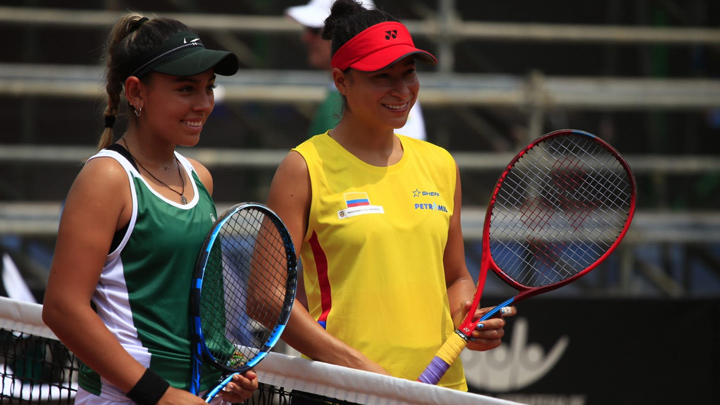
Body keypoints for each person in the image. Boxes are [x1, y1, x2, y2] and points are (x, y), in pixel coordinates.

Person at [267, 0, 516, 391]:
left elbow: (454, 277)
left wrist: (466, 316)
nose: (402, 89)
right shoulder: (303, 166)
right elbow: (267, 299)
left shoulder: (440, 164)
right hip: (346, 393)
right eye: (382, 76)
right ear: (341, 81)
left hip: (440, 392)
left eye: (409, 73)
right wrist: (361, 371)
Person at [42, 14, 258, 404]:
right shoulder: (106, 178)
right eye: (186, 89)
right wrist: (161, 396)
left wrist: (225, 369)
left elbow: (188, 305)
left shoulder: (200, 178)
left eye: (208, 88)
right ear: (136, 92)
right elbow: (62, 308)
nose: (203, 103)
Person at [285, 0, 428, 141]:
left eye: (315, 30)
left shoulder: (362, 103)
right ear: (340, 81)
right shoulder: (348, 98)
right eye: (383, 76)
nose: (306, 38)